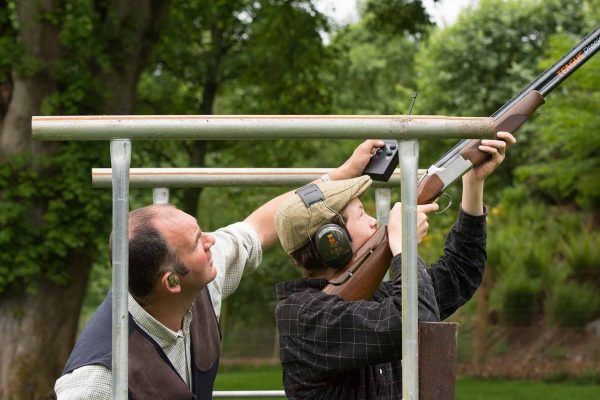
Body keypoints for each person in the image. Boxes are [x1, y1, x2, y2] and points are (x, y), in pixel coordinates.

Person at [54, 139, 385, 400]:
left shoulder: (198, 282)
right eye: (198, 241)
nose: (213, 241)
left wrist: (340, 175)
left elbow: (260, 225)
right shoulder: (95, 380)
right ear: (171, 282)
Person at [274, 132, 516, 399]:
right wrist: (404, 246)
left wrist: (473, 182)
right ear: (334, 241)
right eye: (360, 214)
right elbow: (417, 323)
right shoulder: (303, 317)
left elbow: (461, 273)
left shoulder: (367, 299)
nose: (374, 222)